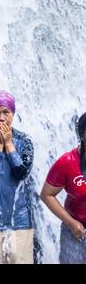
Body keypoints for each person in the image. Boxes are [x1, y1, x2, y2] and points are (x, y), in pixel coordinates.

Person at [0, 90, 35, 264]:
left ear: (13, 114)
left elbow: (22, 173)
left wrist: (9, 144)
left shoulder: (25, 141)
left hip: (20, 221)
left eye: (6, 112)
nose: (1, 117)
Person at [40, 112, 86, 264]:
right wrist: (71, 223)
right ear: (83, 135)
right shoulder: (67, 162)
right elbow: (47, 195)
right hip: (76, 233)